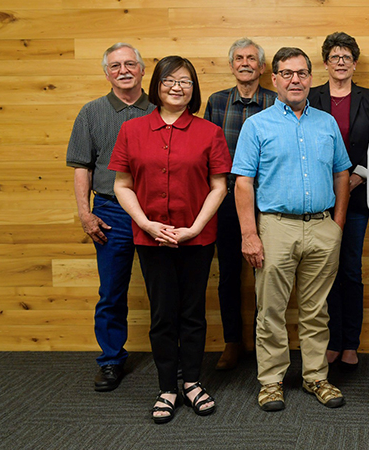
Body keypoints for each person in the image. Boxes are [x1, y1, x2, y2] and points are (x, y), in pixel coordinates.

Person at [109, 55, 231, 423]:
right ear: (157, 86)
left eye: (186, 81)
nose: (177, 87)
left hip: (196, 238)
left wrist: (194, 227)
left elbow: (219, 186)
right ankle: (166, 387)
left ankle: (192, 382)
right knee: (163, 314)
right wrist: (146, 223)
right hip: (151, 240)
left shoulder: (209, 132)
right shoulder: (132, 130)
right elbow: (122, 185)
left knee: (192, 312)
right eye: (169, 81)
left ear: (194, 89)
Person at [233, 47, 351, 412]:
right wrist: (249, 234)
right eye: (287, 73)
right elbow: (242, 182)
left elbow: (342, 172)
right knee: (270, 310)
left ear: (311, 78)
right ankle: (271, 382)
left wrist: (338, 224)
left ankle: (316, 376)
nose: (295, 80)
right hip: (275, 228)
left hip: (321, 228)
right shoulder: (257, 125)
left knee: (317, 310)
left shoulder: (326, 123)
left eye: (301, 73)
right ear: (275, 80)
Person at [66, 43, 155, 392]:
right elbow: (82, 168)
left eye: (130, 64)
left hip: (155, 211)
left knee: (163, 289)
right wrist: (86, 214)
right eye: (115, 66)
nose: (123, 70)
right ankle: (111, 361)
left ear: (143, 70)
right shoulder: (91, 113)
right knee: (112, 292)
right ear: (106, 73)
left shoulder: (161, 111)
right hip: (110, 212)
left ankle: (172, 357)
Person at [308, 32, 369, 371]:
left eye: (346, 57)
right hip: (318, 196)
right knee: (322, 273)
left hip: (357, 196)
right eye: (334, 57)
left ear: (355, 63)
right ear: (325, 63)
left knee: (351, 271)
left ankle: (351, 343)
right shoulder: (310, 97)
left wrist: (358, 176)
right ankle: (330, 341)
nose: (340, 63)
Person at [203, 38, 277, 371]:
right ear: (232, 65)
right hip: (227, 201)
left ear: (262, 68)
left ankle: (266, 344)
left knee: (268, 276)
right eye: (238, 58)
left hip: (269, 201)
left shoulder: (276, 103)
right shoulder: (217, 102)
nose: (245, 63)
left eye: (252, 58)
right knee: (229, 275)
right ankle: (233, 341)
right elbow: (204, 154)